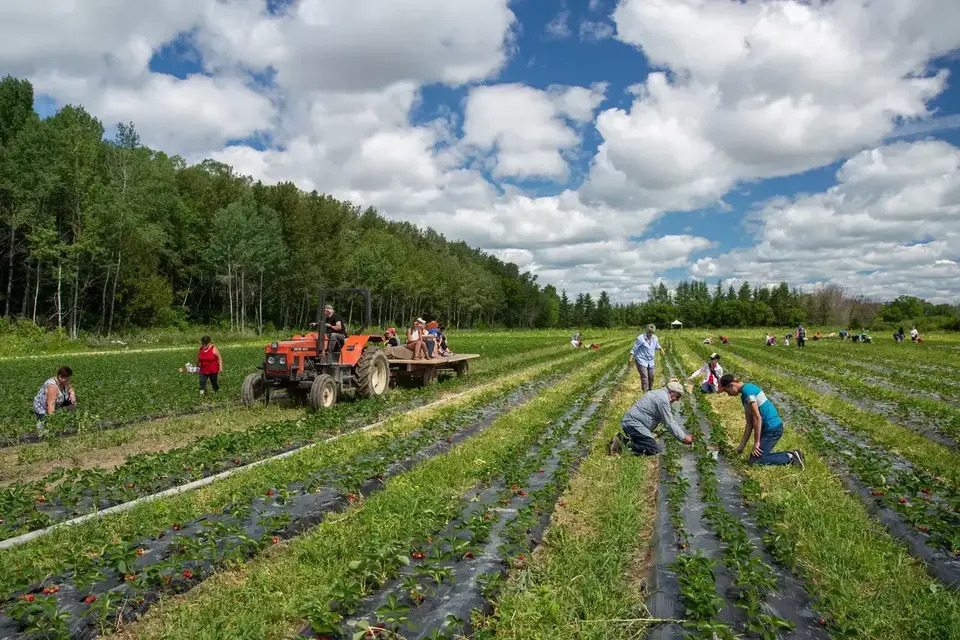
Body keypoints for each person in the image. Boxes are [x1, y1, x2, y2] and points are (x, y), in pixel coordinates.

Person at [719, 374, 804, 468]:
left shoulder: (748, 392)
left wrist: (757, 442)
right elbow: (749, 423)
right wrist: (742, 445)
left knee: (755, 461)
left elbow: (757, 417)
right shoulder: (744, 395)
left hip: (772, 428)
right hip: (767, 429)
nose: (729, 394)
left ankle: (790, 457)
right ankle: (792, 455)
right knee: (754, 459)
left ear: (731, 385)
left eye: (727, 391)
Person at [608, 381, 693, 455]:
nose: (677, 400)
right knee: (653, 449)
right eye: (678, 397)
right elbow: (669, 422)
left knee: (646, 441)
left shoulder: (658, 393)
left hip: (631, 423)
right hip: (633, 424)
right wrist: (684, 438)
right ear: (673, 392)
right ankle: (621, 446)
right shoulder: (663, 400)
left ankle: (622, 439)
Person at [630, 324, 666, 392]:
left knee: (651, 376)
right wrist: (631, 357)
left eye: (652, 332)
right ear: (646, 331)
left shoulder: (655, 338)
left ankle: (651, 390)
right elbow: (634, 348)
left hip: (650, 361)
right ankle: (645, 391)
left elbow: (657, 345)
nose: (651, 334)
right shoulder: (640, 338)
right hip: (641, 360)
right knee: (645, 377)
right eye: (649, 332)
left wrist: (661, 349)